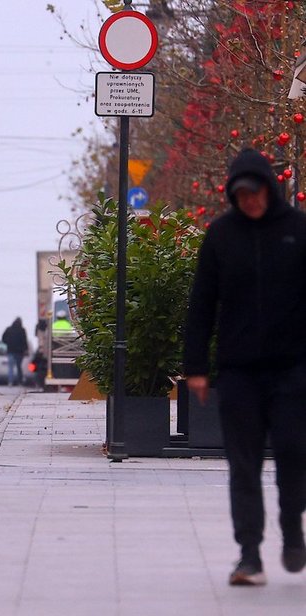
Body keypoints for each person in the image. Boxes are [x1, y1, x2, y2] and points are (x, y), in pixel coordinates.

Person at [184, 148, 306, 587]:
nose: (249, 202)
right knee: (244, 464)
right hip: (239, 373)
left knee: (295, 453)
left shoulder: (298, 230)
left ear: (269, 189)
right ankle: (249, 554)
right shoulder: (221, 236)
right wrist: (195, 367)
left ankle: (292, 527)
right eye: (241, 196)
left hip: (293, 369)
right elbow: (202, 305)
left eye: (254, 193)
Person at [1, 317, 29, 387]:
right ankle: (20, 381)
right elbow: (24, 340)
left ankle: (10, 381)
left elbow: (3, 338)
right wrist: (25, 349)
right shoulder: (22, 330)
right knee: (19, 367)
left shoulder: (9, 329)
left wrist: (8, 343)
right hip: (19, 352)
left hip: (10, 350)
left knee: (10, 367)